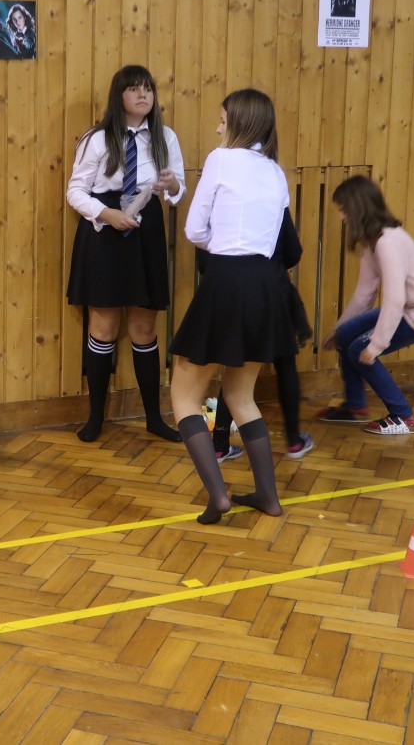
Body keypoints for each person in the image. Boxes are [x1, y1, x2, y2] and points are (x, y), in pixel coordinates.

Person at [169, 89, 296, 523]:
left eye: (223, 120)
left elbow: (193, 231)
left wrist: (221, 244)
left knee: (184, 395)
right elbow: (276, 239)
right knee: (241, 395)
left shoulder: (221, 159)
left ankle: (219, 496)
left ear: (240, 122)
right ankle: (268, 497)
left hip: (226, 280)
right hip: (265, 285)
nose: (217, 127)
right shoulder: (276, 171)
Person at [66, 64, 185, 443]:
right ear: (119, 96)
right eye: (134, 89)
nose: (143, 94)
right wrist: (107, 214)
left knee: (144, 328)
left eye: (147, 88)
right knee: (102, 327)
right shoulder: (97, 139)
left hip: (145, 232)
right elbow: (74, 191)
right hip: (104, 232)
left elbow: (178, 193)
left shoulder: (166, 136)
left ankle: (153, 418)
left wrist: (172, 184)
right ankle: (95, 418)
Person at [315, 175, 414, 434]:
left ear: (358, 208)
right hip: (410, 308)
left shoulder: (387, 242)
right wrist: (339, 329)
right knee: (346, 335)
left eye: (344, 210)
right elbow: (364, 294)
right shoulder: (372, 242)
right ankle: (355, 406)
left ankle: (404, 416)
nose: (342, 217)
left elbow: (395, 298)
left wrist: (376, 344)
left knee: (360, 350)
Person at [204, 204, 315, 463]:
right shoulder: (274, 199)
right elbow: (293, 251)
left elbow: (203, 255)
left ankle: (219, 445)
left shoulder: (222, 202)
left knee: (235, 369)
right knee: (285, 363)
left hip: (231, 290)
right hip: (273, 288)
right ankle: (293, 440)